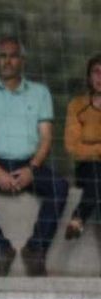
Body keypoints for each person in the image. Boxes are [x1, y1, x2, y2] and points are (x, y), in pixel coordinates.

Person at [0, 37, 68, 277]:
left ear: (22, 60)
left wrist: (32, 168)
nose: (7, 61)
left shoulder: (40, 93)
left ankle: (35, 250)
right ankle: (0, 250)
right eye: (2, 56)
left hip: (31, 162)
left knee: (59, 187)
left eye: (13, 55)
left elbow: (47, 138)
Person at [64, 54, 101, 242]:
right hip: (88, 168)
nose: (100, 77)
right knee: (97, 176)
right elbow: (73, 146)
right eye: (96, 72)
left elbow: (83, 144)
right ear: (89, 76)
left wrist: (91, 145)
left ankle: (78, 219)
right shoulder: (77, 105)